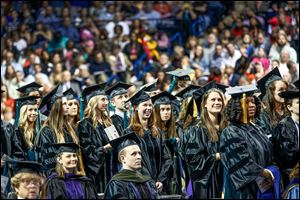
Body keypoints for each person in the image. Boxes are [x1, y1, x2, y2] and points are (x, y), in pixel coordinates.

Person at [220, 85, 275, 199]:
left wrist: (271, 172)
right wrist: (266, 174)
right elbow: (241, 163)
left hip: (263, 187)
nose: (251, 105)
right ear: (236, 106)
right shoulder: (231, 131)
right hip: (244, 191)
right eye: (246, 102)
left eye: (253, 102)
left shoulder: (256, 128)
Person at [181, 82, 227, 199]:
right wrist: (216, 156)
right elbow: (193, 160)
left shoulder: (227, 128)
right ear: (205, 104)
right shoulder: (197, 131)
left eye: (219, 100)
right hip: (206, 183)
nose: (217, 102)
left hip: (227, 179)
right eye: (213, 100)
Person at [124, 89, 172, 194]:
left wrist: (160, 179)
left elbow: (167, 158)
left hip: (160, 185)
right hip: (141, 184)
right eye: (145, 105)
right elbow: (133, 161)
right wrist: (149, 181)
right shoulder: (129, 133)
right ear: (135, 107)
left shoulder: (156, 131)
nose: (148, 108)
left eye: (150, 105)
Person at [77, 83, 115, 193]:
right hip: (96, 173)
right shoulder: (85, 124)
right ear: (94, 101)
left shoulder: (108, 122)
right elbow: (87, 151)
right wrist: (104, 148)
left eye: (107, 100)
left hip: (111, 168)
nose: (106, 103)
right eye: (103, 100)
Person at [35, 84, 79, 174]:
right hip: (55, 177)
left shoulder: (68, 129)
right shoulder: (46, 131)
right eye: (64, 104)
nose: (68, 107)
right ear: (56, 108)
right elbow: (48, 160)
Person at [104, 132, 158, 199]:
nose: (139, 157)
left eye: (139, 153)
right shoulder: (117, 185)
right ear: (123, 158)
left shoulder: (148, 181)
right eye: (134, 154)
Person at [151, 91, 182, 195]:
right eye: (162, 109)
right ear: (156, 111)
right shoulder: (153, 132)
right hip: (160, 175)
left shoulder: (175, 129)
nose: (166, 112)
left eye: (168, 109)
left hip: (173, 174)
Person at [273, 88, 299, 187]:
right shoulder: (284, 126)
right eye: (298, 103)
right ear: (289, 107)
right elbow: (289, 155)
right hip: (290, 177)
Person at [257, 67, 288, 139]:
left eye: (285, 89)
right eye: (281, 89)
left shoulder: (289, 112)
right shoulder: (263, 117)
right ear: (271, 93)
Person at [13, 96, 40, 161]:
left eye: (35, 110)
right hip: (23, 167)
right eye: (30, 110)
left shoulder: (38, 131)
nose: (33, 113)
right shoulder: (17, 131)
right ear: (24, 112)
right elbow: (17, 154)